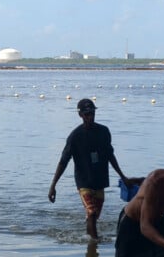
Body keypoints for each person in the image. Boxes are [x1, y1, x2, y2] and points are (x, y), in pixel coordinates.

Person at [48, 98, 131, 239]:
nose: (90, 117)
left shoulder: (104, 132)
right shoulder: (75, 136)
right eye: (87, 114)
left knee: (94, 216)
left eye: (92, 113)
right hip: (84, 182)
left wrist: (123, 177)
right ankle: (94, 245)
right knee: (92, 213)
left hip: (100, 181)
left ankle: (89, 240)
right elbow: (63, 161)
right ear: (80, 115)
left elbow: (110, 156)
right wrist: (53, 185)